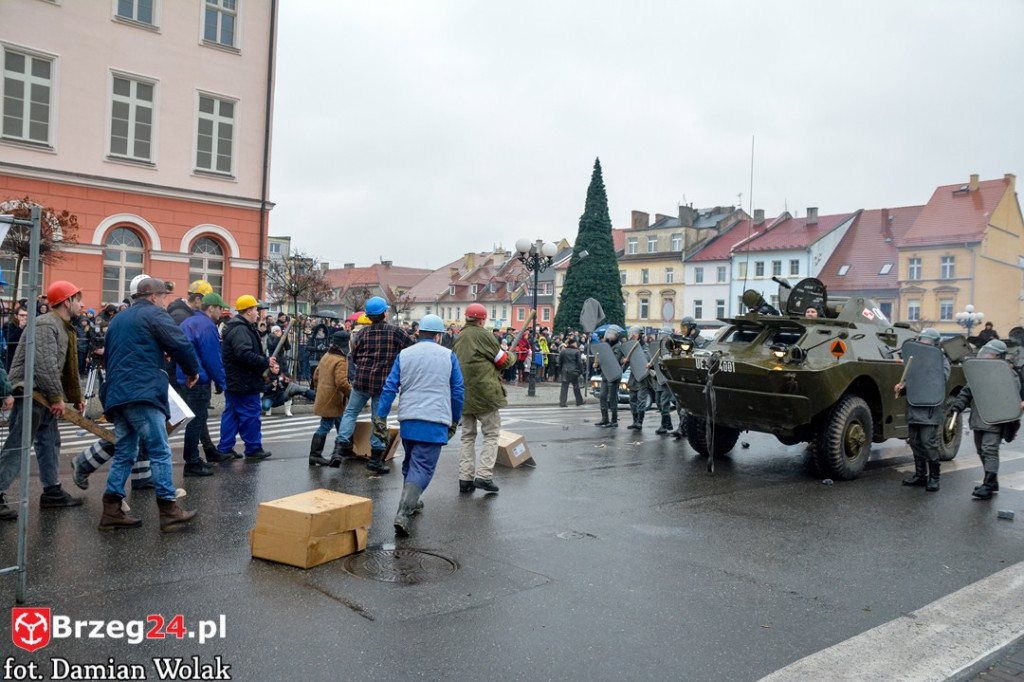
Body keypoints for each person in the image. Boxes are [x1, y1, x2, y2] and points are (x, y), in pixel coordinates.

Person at [99, 278, 201, 532]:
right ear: (154, 296)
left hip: (118, 393)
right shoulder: (154, 314)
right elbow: (179, 343)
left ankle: (111, 511)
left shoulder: (119, 319)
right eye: (164, 296)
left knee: (125, 451)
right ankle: (169, 509)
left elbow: (113, 355)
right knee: (159, 449)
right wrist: (191, 371)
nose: (166, 301)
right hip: (142, 391)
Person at [0, 281, 84, 520]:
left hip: (44, 395)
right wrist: (58, 397)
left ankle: (52, 491)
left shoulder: (61, 325)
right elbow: (45, 365)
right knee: (19, 443)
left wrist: (75, 398)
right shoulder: (46, 325)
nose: (82, 304)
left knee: (49, 442)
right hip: (34, 393)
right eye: (78, 300)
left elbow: (66, 366)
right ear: (67, 302)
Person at [377, 314, 464, 535]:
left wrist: (380, 416)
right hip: (434, 419)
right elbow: (457, 391)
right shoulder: (448, 356)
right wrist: (455, 418)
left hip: (409, 418)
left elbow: (389, 387)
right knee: (423, 466)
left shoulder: (405, 354)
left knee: (411, 462)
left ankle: (413, 502)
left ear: (419, 333)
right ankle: (403, 512)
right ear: (438, 336)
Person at [331, 296, 415, 473]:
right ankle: (375, 459)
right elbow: (411, 350)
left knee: (351, 413)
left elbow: (353, 356)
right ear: (385, 313)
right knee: (378, 418)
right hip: (383, 384)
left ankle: (339, 449)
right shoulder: (396, 332)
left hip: (361, 380)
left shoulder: (362, 333)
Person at [452, 303, 516, 493]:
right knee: (491, 434)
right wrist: (511, 356)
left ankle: (465, 478)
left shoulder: (459, 336)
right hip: (484, 394)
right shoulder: (484, 335)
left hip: (464, 394)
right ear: (482, 319)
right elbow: (502, 361)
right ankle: (484, 476)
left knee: (467, 437)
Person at [950, 339, 1024, 500]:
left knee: (989, 449)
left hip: (996, 417)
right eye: (986, 353)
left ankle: (989, 485)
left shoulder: (1008, 374)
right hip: (979, 416)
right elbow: (967, 391)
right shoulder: (980, 371)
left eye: (990, 354)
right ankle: (992, 479)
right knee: (980, 449)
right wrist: (958, 406)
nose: (987, 356)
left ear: (999, 357)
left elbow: (1012, 395)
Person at [177, 291, 229, 475]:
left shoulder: (188, 322)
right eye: (220, 308)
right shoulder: (207, 326)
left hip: (185, 377)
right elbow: (212, 358)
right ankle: (191, 462)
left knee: (196, 420)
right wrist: (221, 381)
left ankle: (197, 458)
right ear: (211, 307)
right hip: (199, 379)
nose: (222, 312)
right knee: (196, 421)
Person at [218, 295, 275, 460]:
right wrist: (265, 361)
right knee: (250, 414)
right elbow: (244, 355)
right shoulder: (242, 329)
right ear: (249, 311)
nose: (258, 313)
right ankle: (253, 448)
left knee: (232, 414)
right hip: (244, 381)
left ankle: (225, 447)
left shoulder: (236, 327)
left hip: (235, 380)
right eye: (256, 309)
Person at [894, 328, 950, 492]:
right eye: (922, 341)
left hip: (930, 408)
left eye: (927, 341)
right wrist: (902, 388)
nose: (923, 344)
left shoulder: (941, 360)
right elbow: (911, 381)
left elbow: (941, 380)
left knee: (928, 443)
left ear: (935, 344)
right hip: (915, 405)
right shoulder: (914, 359)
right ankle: (920, 475)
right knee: (915, 441)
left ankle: (934, 477)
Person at [309, 330, 351, 466]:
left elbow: (316, 375)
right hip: (333, 399)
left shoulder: (327, 355)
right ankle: (315, 455)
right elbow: (341, 382)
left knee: (341, 423)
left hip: (325, 397)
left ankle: (345, 449)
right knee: (325, 426)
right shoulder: (340, 360)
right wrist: (352, 394)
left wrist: (318, 391)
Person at [624, 326, 653, 430]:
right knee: (632, 400)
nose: (632, 336)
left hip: (642, 377)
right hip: (633, 377)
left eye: (634, 334)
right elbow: (625, 363)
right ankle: (634, 421)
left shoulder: (645, 347)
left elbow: (647, 359)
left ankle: (639, 422)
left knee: (641, 400)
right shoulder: (630, 347)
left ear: (639, 335)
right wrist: (625, 361)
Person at [595, 327, 623, 428]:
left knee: (612, 398)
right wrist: (597, 364)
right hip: (605, 374)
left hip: (613, 375)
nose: (610, 336)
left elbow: (614, 360)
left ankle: (614, 420)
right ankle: (605, 419)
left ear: (616, 336)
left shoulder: (618, 347)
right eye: (609, 334)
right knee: (602, 396)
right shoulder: (607, 346)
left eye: (612, 334)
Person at [557, 338, 585, 407]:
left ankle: (562, 402)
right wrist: (580, 371)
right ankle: (579, 401)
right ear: (573, 344)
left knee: (564, 387)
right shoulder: (577, 351)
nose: (576, 344)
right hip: (574, 371)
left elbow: (560, 362)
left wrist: (560, 371)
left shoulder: (563, 351)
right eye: (575, 343)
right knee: (576, 387)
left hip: (565, 371)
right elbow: (579, 363)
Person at [4, 306, 27, 371]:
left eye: (26, 315)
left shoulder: (30, 326)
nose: (25, 317)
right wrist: (20, 327)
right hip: (12, 358)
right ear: (16, 316)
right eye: (22, 315)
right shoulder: (8, 326)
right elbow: (10, 341)